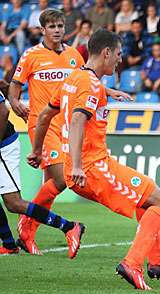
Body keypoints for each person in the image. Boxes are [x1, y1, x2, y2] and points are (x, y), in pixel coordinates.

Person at [29, 29, 160, 290]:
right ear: (106, 52)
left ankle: (158, 260)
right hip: (93, 167)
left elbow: (45, 115)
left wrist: (37, 150)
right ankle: (132, 264)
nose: (119, 60)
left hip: (82, 168)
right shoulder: (90, 85)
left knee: (147, 204)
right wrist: (80, 164)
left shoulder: (74, 79)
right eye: (117, 54)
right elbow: (79, 119)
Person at [8, 9, 131, 255]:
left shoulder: (75, 56)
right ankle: (28, 230)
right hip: (41, 122)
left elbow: (85, 82)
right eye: (52, 26)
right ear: (42, 30)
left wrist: (109, 92)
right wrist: (14, 102)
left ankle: (27, 231)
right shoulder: (31, 55)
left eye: (61, 26)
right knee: (63, 178)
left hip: (63, 125)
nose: (57, 30)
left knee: (54, 184)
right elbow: (14, 85)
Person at [0, 82, 84, 257]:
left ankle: (69, 227)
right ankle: (9, 245)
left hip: (4, 145)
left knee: (14, 203)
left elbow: (3, 111)